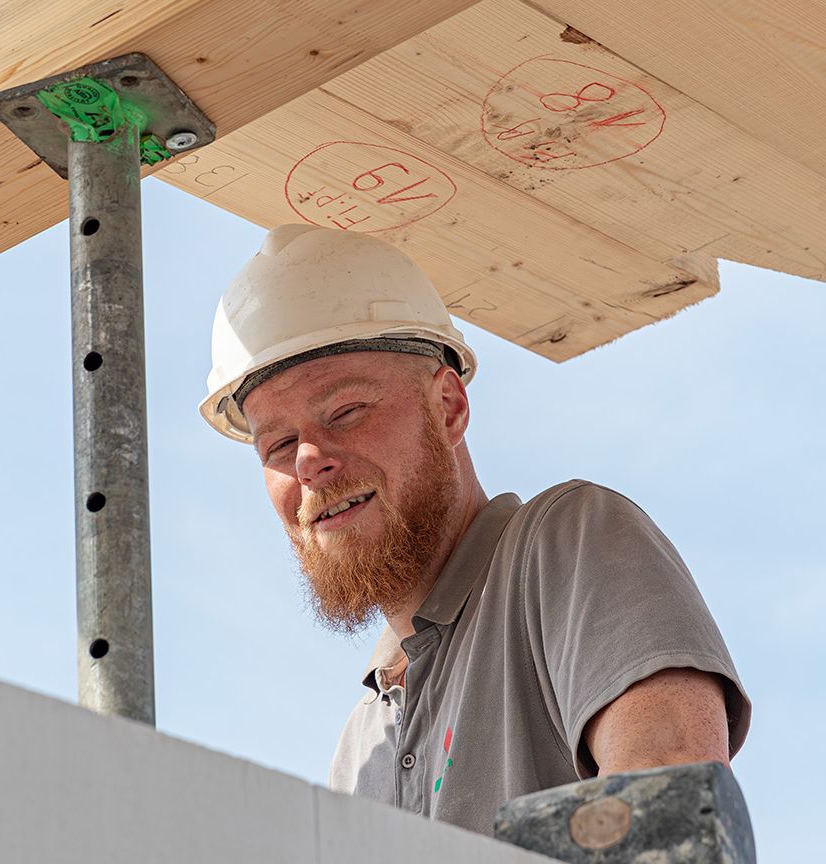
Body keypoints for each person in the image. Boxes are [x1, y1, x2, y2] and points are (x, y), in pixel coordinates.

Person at [199, 224, 750, 835]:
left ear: (449, 407)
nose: (309, 460)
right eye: (277, 444)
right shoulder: (364, 743)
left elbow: (665, 820)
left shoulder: (565, 546)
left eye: (346, 411)